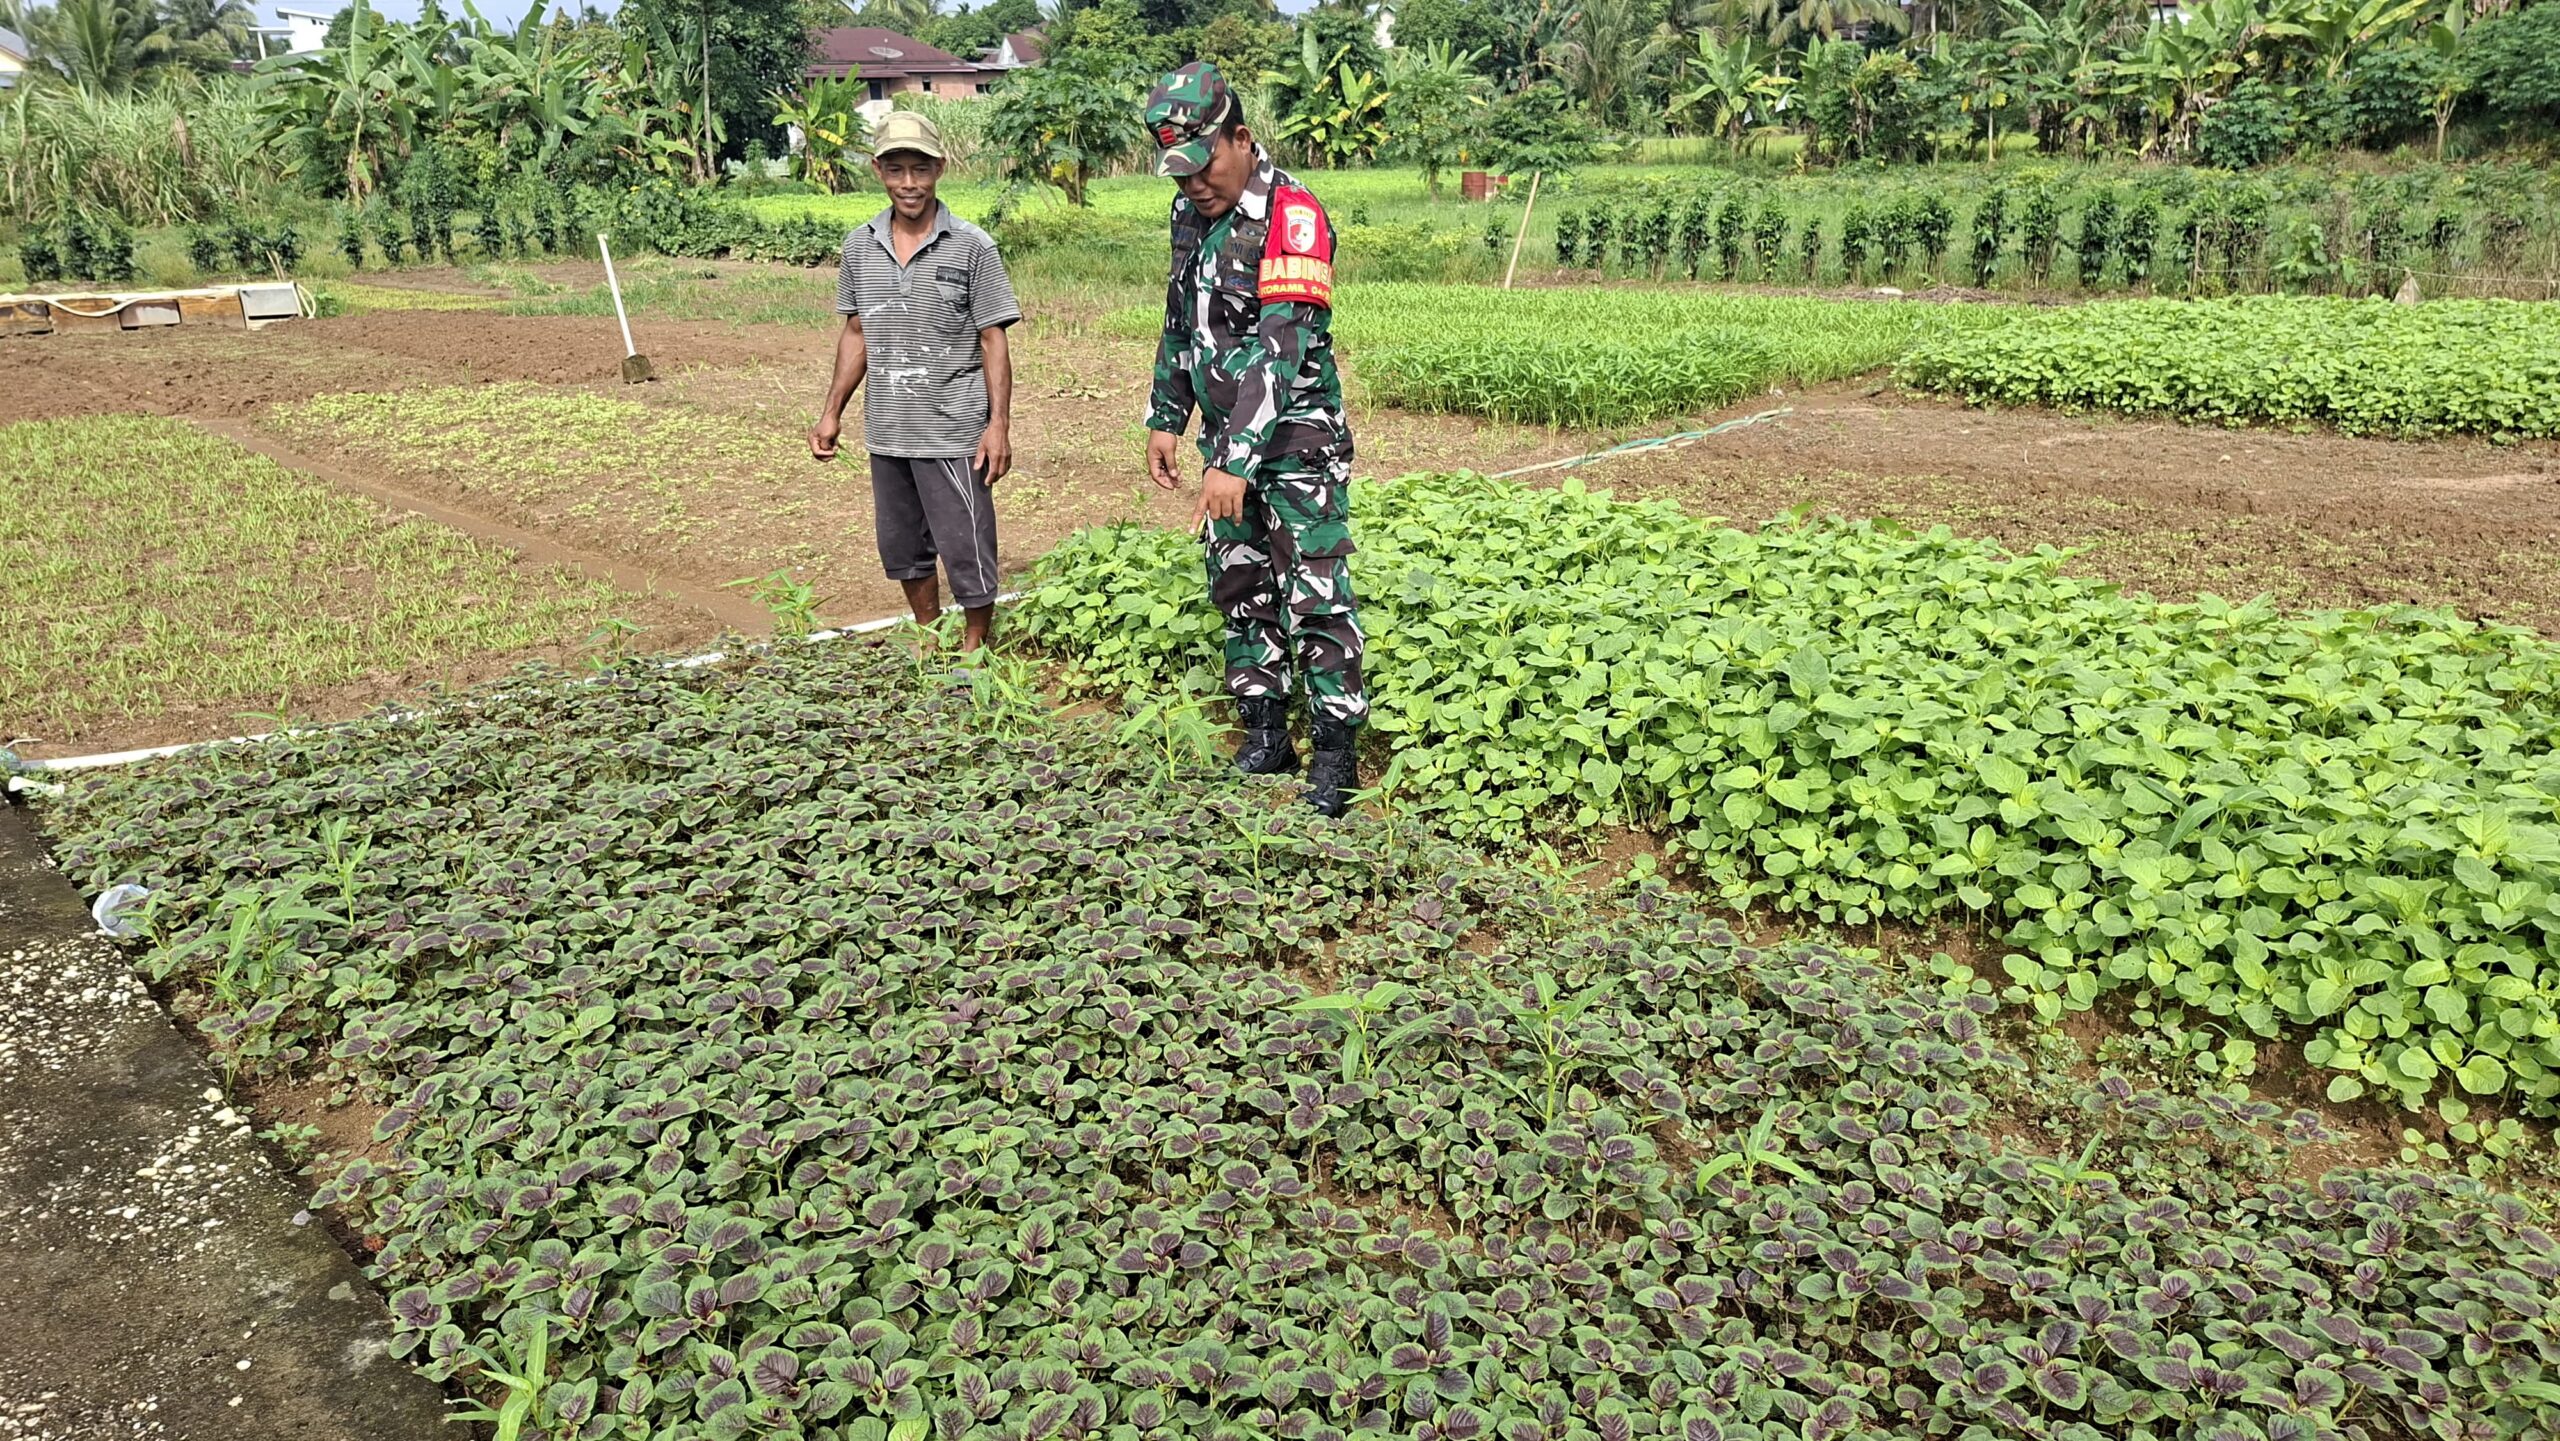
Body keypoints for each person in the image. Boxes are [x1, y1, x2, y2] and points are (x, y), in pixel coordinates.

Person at [1141, 61, 1367, 817]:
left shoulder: (1293, 215)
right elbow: (1182, 322)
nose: (1194, 186)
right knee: (1240, 584)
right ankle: (1266, 731)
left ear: (1240, 137)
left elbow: (1283, 344)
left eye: (1203, 166)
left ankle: (1336, 751)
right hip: (1226, 441)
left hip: (1295, 438)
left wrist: (1234, 458)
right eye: (1179, 174)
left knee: (1315, 589)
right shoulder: (1190, 217)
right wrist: (1167, 417)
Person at [810, 110, 1020, 651]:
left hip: (954, 427)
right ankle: (930, 637)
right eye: (898, 169)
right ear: (878, 169)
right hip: (888, 428)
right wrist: (832, 410)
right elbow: (856, 332)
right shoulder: (860, 245)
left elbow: (994, 338)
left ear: (939, 170)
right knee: (901, 546)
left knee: (966, 544)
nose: (910, 183)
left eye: (921, 169)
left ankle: (976, 644)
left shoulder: (973, 245)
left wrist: (998, 425)